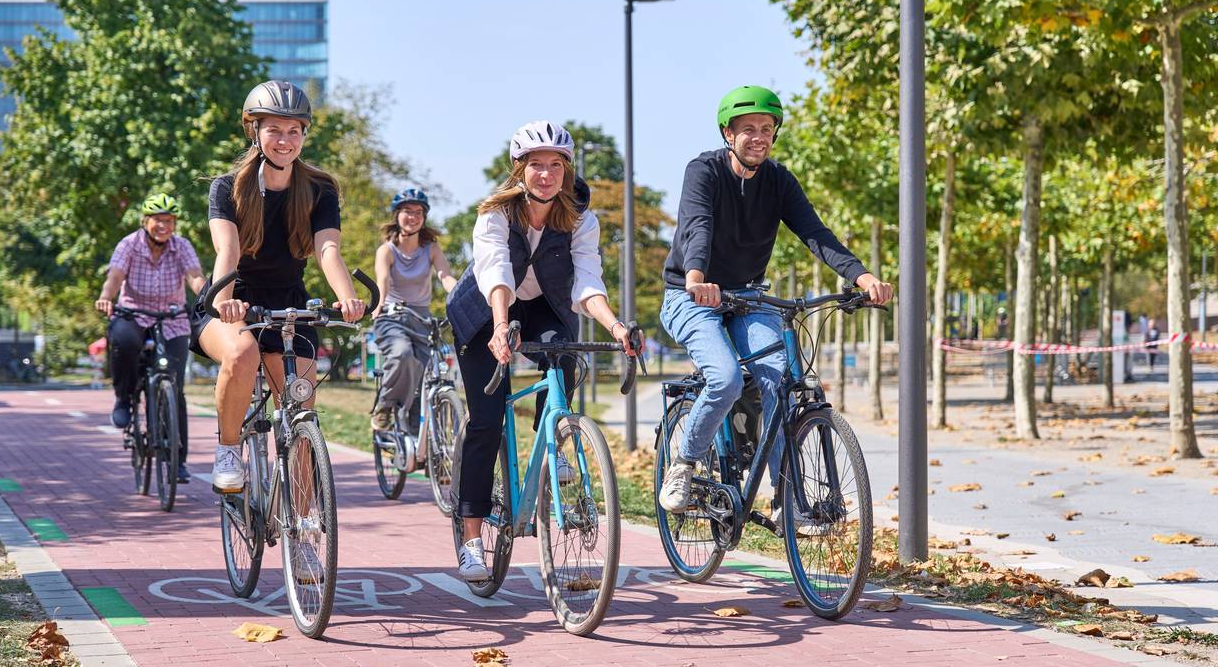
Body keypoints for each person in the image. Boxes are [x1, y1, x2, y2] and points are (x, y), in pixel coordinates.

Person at [656, 86, 894, 515]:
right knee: (726, 378)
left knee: (781, 382)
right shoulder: (704, 171)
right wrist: (696, 278)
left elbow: (816, 234)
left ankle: (788, 499)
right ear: (728, 134)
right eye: (748, 129)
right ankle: (684, 463)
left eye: (766, 129)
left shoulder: (779, 181)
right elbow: (698, 225)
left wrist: (862, 276)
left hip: (748, 298)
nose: (759, 137)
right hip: (691, 296)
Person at [445, 120, 637, 581]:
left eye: (555, 165)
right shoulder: (495, 214)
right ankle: (471, 541)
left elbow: (587, 281)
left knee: (564, 355)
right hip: (485, 311)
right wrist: (499, 328)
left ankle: (554, 438)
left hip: (544, 308)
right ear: (519, 169)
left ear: (567, 170)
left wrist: (615, 326)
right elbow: (495, 272)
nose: (546, 174)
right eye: (536, 165)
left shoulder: (580, 218)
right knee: (487, 420)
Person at [190, 79, 367, 527]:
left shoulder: (320, 189)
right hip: (232, 298)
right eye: (274, 130)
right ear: (255, 131)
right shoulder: (227, 188)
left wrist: (347, 297)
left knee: (301, 411)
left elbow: (328, 249)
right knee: (242, 352)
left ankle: (304, 530)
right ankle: (229, 450)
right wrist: (224, 300)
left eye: (294, 131)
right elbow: (227, 251)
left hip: (288, 303)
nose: (285, 140)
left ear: (304, 134)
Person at [95, 194, 206, 483]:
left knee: (175, 387)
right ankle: (123, 398)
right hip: (134, 314)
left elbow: (195, 276)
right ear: (146, 221)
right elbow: (115, 276)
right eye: (158, 220)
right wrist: (106, 297)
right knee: (123, 341)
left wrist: (209, 297)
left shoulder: (181, 246)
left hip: (172, 318)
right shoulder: (129, 244)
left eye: (169, 221)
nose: (163, 226)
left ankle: (178, 461)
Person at [371, 188, 458, 433]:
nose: (413, 216)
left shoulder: (431, 248)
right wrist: (378, 306)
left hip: (422, 319)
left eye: (419, 212)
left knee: (427, 373)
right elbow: (383, 280)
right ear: (397, 215)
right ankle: (385, 405)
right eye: (407, 211)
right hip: (392, 316)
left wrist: (461, 295)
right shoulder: (387, 250)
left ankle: (416, 434)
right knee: (401, 354)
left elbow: (445, 276)